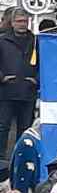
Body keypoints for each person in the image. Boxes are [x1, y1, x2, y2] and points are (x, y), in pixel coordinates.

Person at [0, 9, 38, 161]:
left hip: (28, 91)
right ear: (12, 23)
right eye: (19, 21)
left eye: (25, 21)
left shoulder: (36, 41)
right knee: (3, 126)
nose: (22, 24)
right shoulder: (2, 41)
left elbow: (46, 63)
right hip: (7, 90)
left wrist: (37, 79)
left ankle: (21, 156)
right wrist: (2, 78)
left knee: (25, 128)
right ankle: (2, 158)